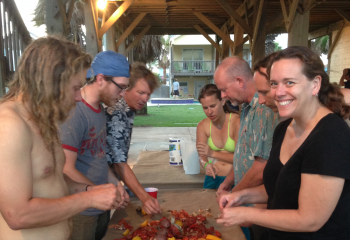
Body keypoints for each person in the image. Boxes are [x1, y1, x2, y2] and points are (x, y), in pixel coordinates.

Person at [217, 46, 350, 240]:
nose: (278, 92)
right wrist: (242, 196)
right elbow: (281, 188)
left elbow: (310, 219)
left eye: (289, 82)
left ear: (315, 84)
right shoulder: (284, 128)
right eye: (274, 83)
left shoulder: (330, 136)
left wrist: (246, 213)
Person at [0, 36, 122, 240]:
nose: (77, 97)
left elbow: (51, 177)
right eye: (75, 88)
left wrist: (88, 188)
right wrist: (88, 198)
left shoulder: (41, 119)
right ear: (51, 81)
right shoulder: (9, 125)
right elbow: (18, 215)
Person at [60, 51, 130, 240]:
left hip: (100, 206)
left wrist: (115, 184)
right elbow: (66, 169)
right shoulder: (75, 113)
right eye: (120, 87)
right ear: (100, 79)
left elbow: (97, 156)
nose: (123, 95)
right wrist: (98, 194)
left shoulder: (99, 109)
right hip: (82, 211)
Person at [105, 62, 161, 214]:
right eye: (141, 92)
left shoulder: (128, 110)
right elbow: (119, 164)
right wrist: (145, 198)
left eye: (148, 94)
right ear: (126, 89)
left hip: (107, 183)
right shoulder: (117, 113)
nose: (145, 98)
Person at [196, 84, 240, 189]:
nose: (209, 112)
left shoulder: (236, 122)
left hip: (234, 178)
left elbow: (241, 158)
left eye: (213, 106)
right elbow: (202, 156)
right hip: (212, 178)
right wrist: (206, 165)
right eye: (205, 108)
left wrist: (212, 153)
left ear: (222, 101)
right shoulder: (202, 126)